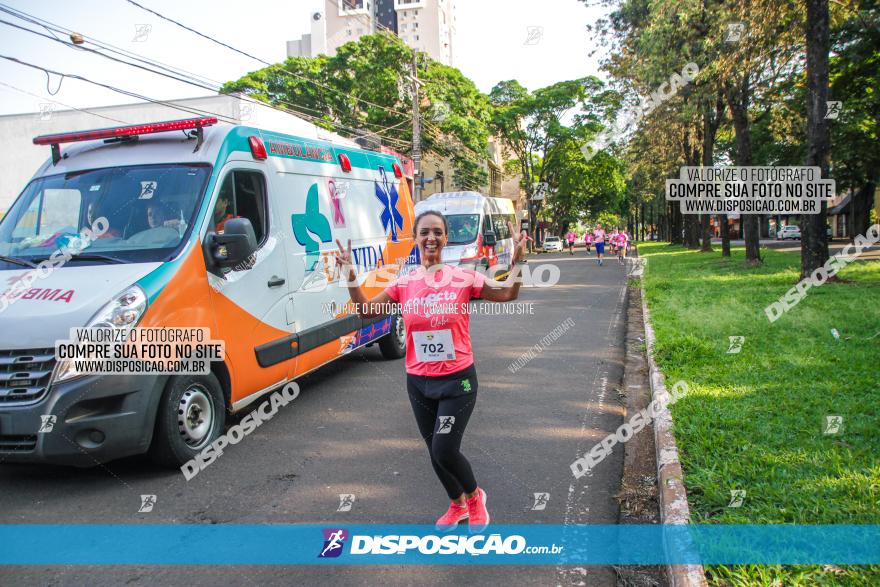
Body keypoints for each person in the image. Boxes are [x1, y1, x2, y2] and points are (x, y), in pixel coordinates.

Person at [335, 210, 530, 533]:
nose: (431, 238)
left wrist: (517, 262)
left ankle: (475, 496)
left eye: (438, 232)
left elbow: (508, 292)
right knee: (434, 451)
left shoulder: (463, 278)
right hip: (419, 382)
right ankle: (456, 504)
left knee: (445, 448)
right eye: (425, 232)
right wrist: (351, 277)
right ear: (416, 238)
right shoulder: (405, 284)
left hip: (458, 380)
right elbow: (366, 311)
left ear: (446, 238)